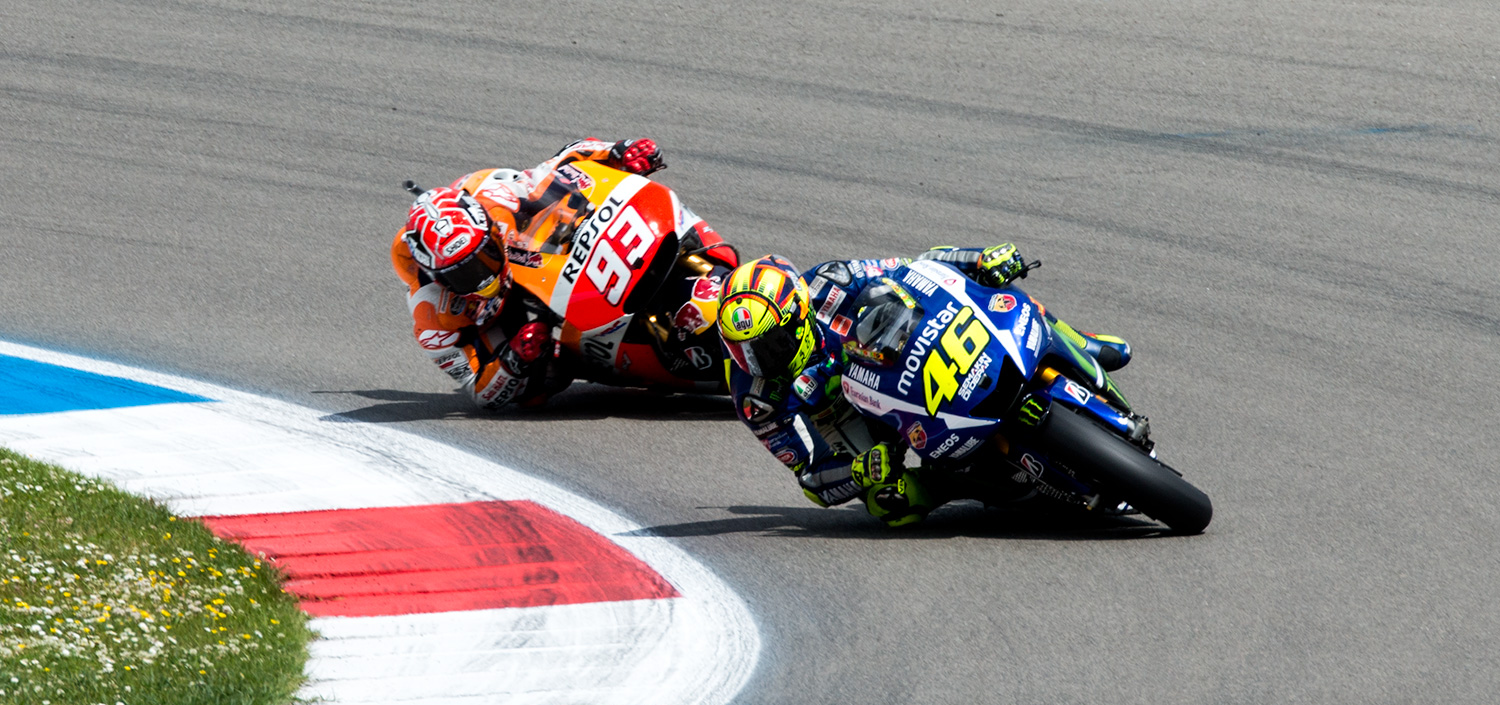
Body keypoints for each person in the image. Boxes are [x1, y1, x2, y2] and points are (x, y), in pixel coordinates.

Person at [716, 245, 1132, 527]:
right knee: (890, 505)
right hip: (851, 412)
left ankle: (1078, 341)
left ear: (798, 313)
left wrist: (980, 259)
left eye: (766, 346)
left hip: (899, 354)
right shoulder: (755, 398)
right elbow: (811, 478)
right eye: (740, 350)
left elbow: (921, 267)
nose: (754, 361)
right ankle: (955, 481)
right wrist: (857, 471)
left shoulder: (833, 281)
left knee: (996, 290)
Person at [391, 137, 666, 409]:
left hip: (533, 257)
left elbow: (562, 164)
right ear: (438, 277)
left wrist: (617, 153)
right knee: (538, 389)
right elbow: (479, 391)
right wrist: (515, 359)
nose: (483, 276)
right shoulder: (430, 314)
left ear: (489, 232)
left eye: (485, 255)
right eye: (464, 274)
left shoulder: (498, 200)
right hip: (508, 322)